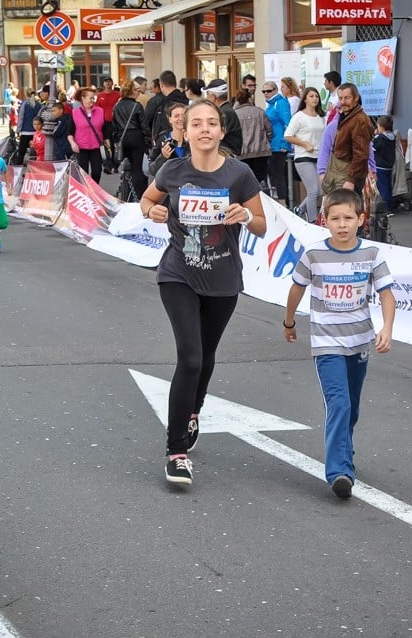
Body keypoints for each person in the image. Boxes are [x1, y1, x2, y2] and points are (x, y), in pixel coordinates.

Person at [138, 99, 267, 486]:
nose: (205, 129)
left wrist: (246, 215)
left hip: (224, 278)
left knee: (206, 356)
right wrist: (152, 212)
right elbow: (147, 200)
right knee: (190, 357)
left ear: (221, 131)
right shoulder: (172, 170)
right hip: (179, 273)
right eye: (197, 123)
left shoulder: (239, 174)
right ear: (186, 131)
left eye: (212, 123)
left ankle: (194, 410)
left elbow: (261, 224)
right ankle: (175, 452)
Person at [282, 187, 395, 498]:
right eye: (335, 218)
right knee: (339, 403)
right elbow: (296, 289)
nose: (342, 224)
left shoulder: (371, 255)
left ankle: (344, 451)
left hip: (359, 343)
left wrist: (387, 328)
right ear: (324, 221)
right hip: (326, 343)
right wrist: (289, 321)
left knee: (352, 408)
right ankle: (339, 472)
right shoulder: (314, 255)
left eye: (348, 218)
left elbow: (387, 294)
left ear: (361, 219)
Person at [320, 83, 373, 200]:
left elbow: (361, 155)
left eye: (347, 98)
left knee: (348, 210)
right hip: (339, 172)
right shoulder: (346, 116)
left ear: (356, 98)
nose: (343, 102)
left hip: (348, 175)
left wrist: (351, 181)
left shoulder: (359, 120)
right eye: (340, 98)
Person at [284, 86, 326, 221]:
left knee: (320, 191)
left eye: (317, 96)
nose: (315, 98)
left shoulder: (321, 116)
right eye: (311, 96)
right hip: (303, 157)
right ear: (305, 99)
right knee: (313, 191)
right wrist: (305, 144)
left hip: (319, 157)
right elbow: (288, 135)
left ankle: (300, 209)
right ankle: (313, 221)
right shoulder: (299, 116)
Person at [112, 80, 151, 201]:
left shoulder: (117, 105)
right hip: (136, 138)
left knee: (126, 167)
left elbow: (114, 125)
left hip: (122, 138)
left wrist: (116, 140)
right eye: (137, 90)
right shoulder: (137, 106)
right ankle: (139, 197)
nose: (139, 93)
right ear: (130, 91)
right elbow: (144, 127)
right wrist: (148, 143)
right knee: (136, 169)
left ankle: (126, 193)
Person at [233, 88, 272, 185]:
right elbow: (269, 130)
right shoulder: (260, 112)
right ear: (249, 98)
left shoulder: (235, 114)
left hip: (243, 152)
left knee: (246, 182)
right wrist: (266, 140)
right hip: (261, 151)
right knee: (261, 181)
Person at [69, 86, 107, 183]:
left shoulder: (100, 111)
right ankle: (86, 192)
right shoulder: (75, 113)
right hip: (81, 147)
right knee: (83, 172)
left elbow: (105, 130)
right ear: (83, 98)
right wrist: (73, 143)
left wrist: (108, 146)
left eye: (93, 97)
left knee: (97, 172)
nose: (93, 100)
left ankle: (94, 190)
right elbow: (70, 132)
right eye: (90, 98)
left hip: (96, 147)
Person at [262, 81, 292, 202]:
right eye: (263, 91)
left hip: (279, 145)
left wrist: (286, 143)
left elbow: (288, 124)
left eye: (268, 91)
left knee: (279, 175)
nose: (266, 94)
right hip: (271, 145)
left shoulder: (280, 103)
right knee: (273, 175)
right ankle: (277, 202)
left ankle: (283, 203)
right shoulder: (270, 105)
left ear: (275, 91)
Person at [144, 70, 187, 145]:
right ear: (175, 83)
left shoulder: (164, 103)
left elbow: (160, 124)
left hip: (168, 142)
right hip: (186, 140)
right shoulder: (186, 100)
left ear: (161, 85)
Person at [147, 101, 188, 178]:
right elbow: (152, 170)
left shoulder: (194, 139)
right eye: (176, 116)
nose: (180, 119)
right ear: (170, 119)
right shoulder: (162, 139)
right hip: (169, 184)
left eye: (184, 116)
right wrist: (163, 157)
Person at [204, 79, 242, 157]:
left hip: (227, 155)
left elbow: (216, 135)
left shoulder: (225, 112)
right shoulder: (224, 110)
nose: (206, 98)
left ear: (213, 96)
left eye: (207, 94)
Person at [372, 115, 397, 213]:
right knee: (388, 186)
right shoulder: (392, 137)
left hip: (380, 166)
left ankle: (386, 209)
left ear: (381, 127)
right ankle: (390, 207)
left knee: (382, 188)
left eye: (377, 126)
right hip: (389, 166)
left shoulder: (380, 138)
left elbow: (373, 148)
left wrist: (375, 136)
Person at [96, 76, 121, 145]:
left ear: (112, 83)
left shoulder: (117, 94)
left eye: (109, 81)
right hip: (104, 122)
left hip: (116, 121)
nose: (108, 83)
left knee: (115, 140)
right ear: (103, 83)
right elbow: (97, 109)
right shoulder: (100, 95)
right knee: (106, 140)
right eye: (106, 81)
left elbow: (121, 107)